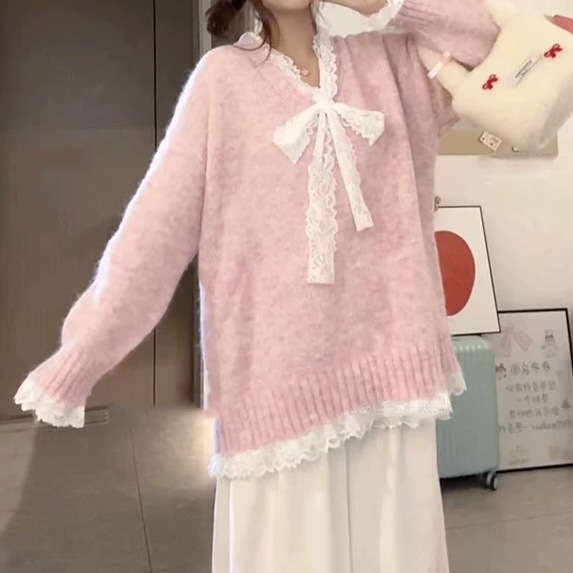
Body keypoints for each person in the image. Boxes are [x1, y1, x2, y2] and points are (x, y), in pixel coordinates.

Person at [14, 0, 500, 571]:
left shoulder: (389, 64)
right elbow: (154, 231)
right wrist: (83, 352)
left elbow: (486, 42)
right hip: (278, 395)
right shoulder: (222, 82)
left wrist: (380, 1)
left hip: (391, 384)